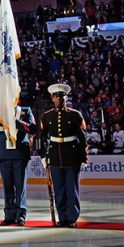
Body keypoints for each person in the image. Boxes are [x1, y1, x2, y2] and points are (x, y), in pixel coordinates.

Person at [40, 84, 88, 228]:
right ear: (52, 98)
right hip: (55, 156)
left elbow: (82, 137)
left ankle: (72, 217)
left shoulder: (75, 115)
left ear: (66, 98)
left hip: (72, 156)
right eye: (56, 97)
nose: (59, 99)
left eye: (62, 97)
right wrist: (43, 156)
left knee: (71, 189)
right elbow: (43, 139)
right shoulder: (46, 116)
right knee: (59, 189)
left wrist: (84, 157)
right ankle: (63, 217)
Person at [0, 106, 37, 226]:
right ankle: (9, 215)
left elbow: (32, 128)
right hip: (4, 151)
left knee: (20, 186)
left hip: (20, 151)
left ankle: (20, 215)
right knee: (7, 186)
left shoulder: (25, 110)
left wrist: (14, 121)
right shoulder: (0, 108)